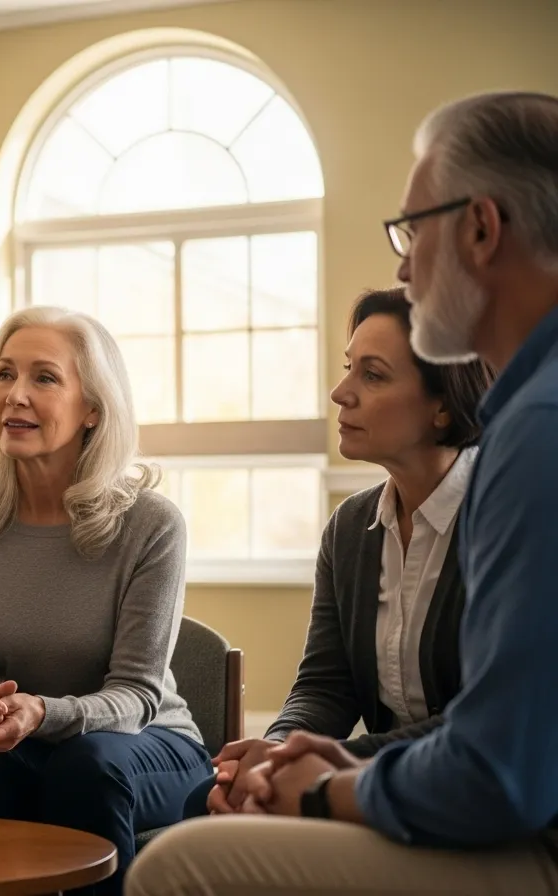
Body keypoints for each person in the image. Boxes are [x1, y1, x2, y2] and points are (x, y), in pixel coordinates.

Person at [126, 90, 558, 896]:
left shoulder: (535, 432)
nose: (403, 265)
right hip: (486, 800)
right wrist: (287, 752)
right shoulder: (365, 520)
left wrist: (326, 785)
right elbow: (327, 686)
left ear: (480, 228)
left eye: (412, 230)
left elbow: (498, 768)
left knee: (175, 868)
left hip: (529, 833)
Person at [0, 305, 211, 895]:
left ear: (92, 408)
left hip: (145, 744)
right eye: (4, 374)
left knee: (86, 767)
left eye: (44, 377)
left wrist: (43, 713)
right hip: (24, 741)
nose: (15, 395)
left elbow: (137, 695)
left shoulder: (152, 524)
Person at [180, 287, 493, 820]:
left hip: (451, 794)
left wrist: (310, 765)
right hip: (366, 779)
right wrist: (276, 749)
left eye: (372, 375)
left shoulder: (500, 517)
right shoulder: (350, 527)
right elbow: (325, 687)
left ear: (442, 405)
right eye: (349, 369)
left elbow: (481, 722)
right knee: (203, 802)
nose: (340, 392)